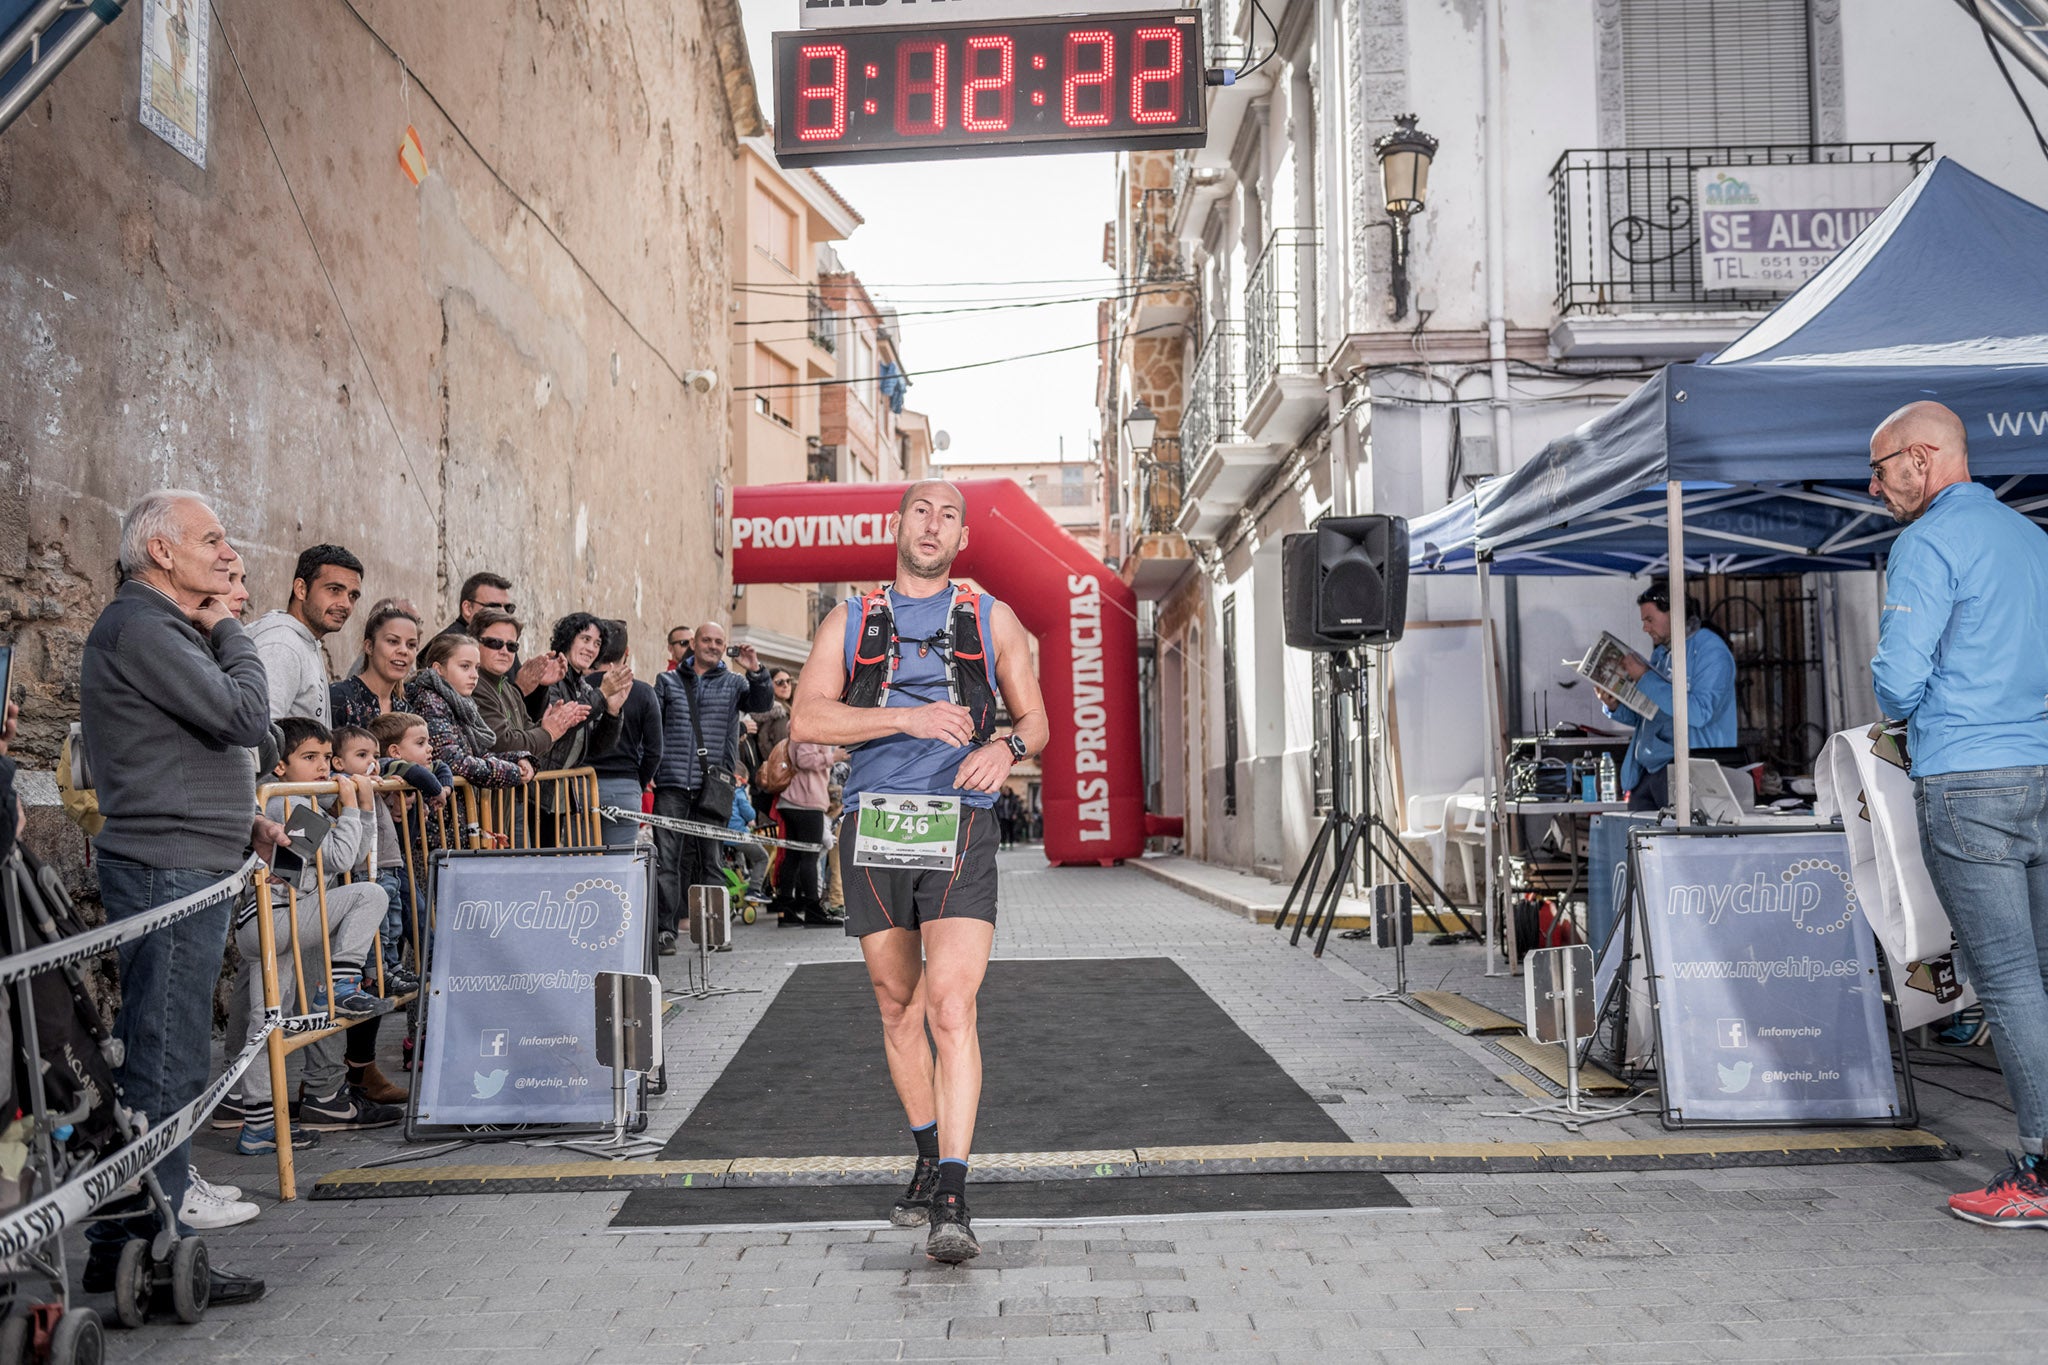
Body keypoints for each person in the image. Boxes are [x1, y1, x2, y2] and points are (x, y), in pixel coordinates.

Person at [790, 479, 1047, 1264]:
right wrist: (906, 716)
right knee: (896, 1002)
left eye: (947, 516)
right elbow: (807, 717)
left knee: (949, 1003)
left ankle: (955, 1197)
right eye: (920, 511)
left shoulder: (989, 616)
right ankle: (929, 1152)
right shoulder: (853, 617)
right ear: (897, 524)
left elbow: (1035, 718)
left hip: (961, 822)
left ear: (961, 538)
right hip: (875, 823)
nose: (932, 525)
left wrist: (1004, 748)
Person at [78, 489, 274, 1304]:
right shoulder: (146, 625)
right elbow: (245, 714)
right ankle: (155, 1249)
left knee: (168, 1051)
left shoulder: (159, 627)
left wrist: (242, 819)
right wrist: (231, 622)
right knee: (164, 1055)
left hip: (188, 860)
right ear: (161, 551)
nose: (228, 555)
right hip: (166, 868)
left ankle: (133, 1237)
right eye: (213, 540)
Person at [1868, 399, 2048, 1229]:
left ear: (1924, 457)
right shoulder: (2031, 538)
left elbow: (1897, 682)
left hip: (1969, 779)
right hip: (2043, 769)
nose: (1875, 487)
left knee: (2008, 983)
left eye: (1881, 467)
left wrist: (1921, 701)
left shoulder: (1927, 542)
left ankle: (2041, 1173)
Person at [231, 718, 402, 1155]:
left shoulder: (301, 801)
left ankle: (258, 1125)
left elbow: (344, 855)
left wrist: (354, 812)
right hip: (275, 921)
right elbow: (344, 856)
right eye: (310, 758)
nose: (324, 766)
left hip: (276, 921)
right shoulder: (285, 806)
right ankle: (342, 984)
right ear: (281, 766)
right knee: (369, 894)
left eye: (327, 757)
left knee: (265, 1023)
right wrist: (357, 808)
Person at [650, 621, 772, 954]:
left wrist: (755, 670)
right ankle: (665, 931)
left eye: (719, 641)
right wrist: (650, 770)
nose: (713, 646)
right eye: (707, 640)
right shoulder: (668, 681)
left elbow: (762, 704)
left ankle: (714, 932)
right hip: (672, 782)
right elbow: (654, 729)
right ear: (694, 644)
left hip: (713, 784)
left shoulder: (734, 683)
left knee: (712, 861)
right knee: (668, 862)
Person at [1594, 580, 1737, 812]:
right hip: (1649, 769)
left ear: (1675, 614)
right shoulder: (1662, 654)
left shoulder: (1712, 651)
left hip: (1689, 767)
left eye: (1649, 620)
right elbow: (1648, 713)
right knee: (1639, 844)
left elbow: (1699, 713)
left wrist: (1645, 678)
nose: (1645, 628)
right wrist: (1614, 705)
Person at [247, 543, 365, 727]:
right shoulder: (282, 645)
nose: (346, 604)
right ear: (301, 589)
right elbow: (259, 732)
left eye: (353, 596)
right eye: (334, 590)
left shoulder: (304, 640)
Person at [406, 633, 531, 790]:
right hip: (441, 808)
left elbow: (477, 755)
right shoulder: (430, 702)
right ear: (439, 669)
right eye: (465, 666)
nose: (474, 675)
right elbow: (453, 762)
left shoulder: (461, 703)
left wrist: (518, 759)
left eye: (476, 667)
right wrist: (513, 771)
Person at [469, 608, 580, 768]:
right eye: (495, 643)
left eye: (511, 646)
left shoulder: (505, 686)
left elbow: (526, 730)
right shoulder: (474, 684)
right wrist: (548, 732)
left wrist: (554, 722)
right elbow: (502, 742)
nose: (504, 651)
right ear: (474, 643)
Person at [591, 620, 663, 847]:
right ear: (627, 652)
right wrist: (637, 783)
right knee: (618, 870)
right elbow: (654, 751)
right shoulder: (643, 693)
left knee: (581, 865)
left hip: (582, 785)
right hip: (624, 786)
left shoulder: (580, 687)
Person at [533, 612, 632, 776]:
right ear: (568, 639)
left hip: (560, 790)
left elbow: (596, 749)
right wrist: (602, 693)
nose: (591, 649)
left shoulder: (583, 687)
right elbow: (560, 726)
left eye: (597, 643)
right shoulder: (549, 675)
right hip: (534, 790)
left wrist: (612, 713)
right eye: (585, 639)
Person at [771, 739, 837, 927]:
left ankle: (786, 909)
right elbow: (805, 760)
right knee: (810, 856)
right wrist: (833, 757)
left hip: (791, 799)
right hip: (806, 799)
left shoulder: (800, 728)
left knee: (792, 856)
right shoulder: (812, 730)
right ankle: (812, 909)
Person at [332, 602, 421, 729]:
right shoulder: (339, 698)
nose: (404, 651)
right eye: (393, 641)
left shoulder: (407, 710)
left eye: (411, 645)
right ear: (369, 647)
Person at [724, 767, 769, 903]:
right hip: (738, 833)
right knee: (762, 857)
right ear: (738, 779)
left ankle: (742, 873)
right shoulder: (738, 792)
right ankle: (754, 889)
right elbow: (750, 815)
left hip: (722, 834)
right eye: (744, 784)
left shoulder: (721, 789)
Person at [438, 569, 514, 640]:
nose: (503, 614)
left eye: (508, 608)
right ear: (468, 608)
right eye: (493, 607)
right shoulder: (450, 645)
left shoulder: (504, 644)